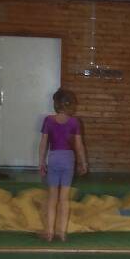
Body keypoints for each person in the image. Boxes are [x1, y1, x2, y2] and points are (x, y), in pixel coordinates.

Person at [38, 89, 88, 242]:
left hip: (54, 158)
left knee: (52, 198)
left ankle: (49, 232)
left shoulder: (48, 120)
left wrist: (41, 162)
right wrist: (83, 162)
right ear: (70, 105)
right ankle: (62, 232)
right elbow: (79, 145)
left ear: (56, 104)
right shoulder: (74, 122)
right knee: (64, 199)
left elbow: (43, 143)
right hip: (68, 160)